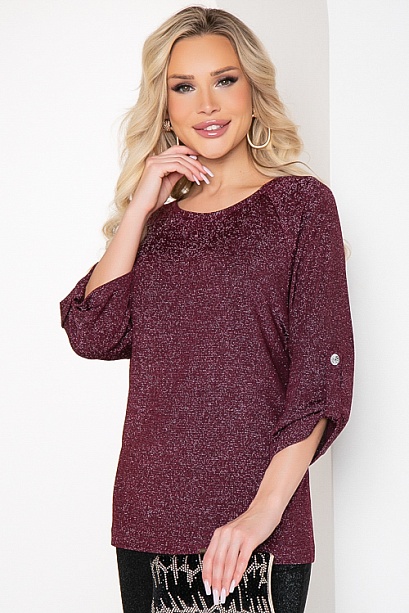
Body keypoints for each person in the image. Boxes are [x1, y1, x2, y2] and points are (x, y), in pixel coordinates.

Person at [60, 6, 354, 613]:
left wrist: (261, 514)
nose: (208, 105)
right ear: (165, 105)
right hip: (149, 518)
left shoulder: (301, 206)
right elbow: (92, 331)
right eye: (184, 87)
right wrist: (141, 208)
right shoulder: (158, 230)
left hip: (257, 529)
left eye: (224, 79)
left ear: (253, 89)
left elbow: (319, 382)